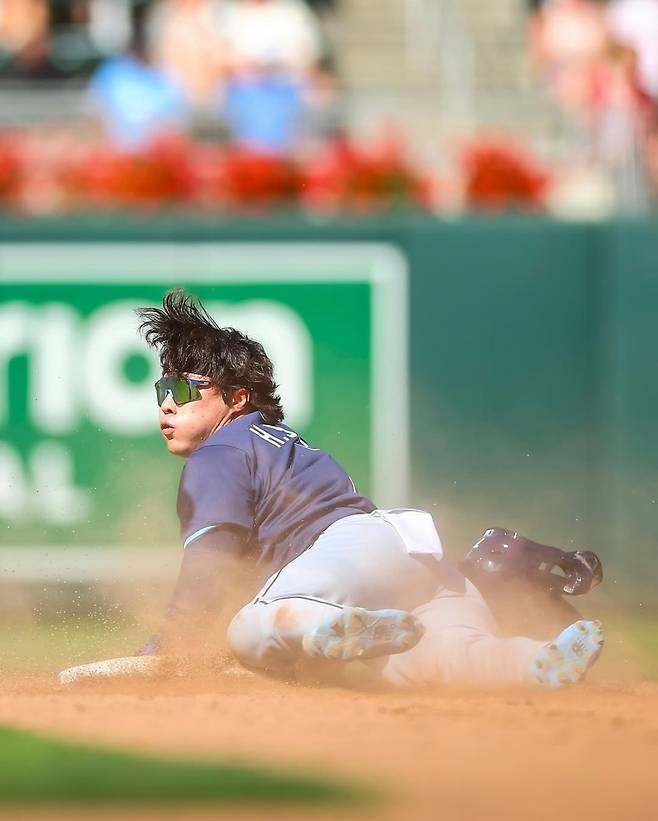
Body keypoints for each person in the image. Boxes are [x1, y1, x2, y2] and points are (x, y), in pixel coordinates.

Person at [135, 289, 604, 689]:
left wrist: (168, 646)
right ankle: (537, 659)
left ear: (237, 398)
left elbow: (209, 571)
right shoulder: (274, 441)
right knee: (439, 661)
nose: (168, 403)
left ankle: (327, 623)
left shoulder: (219, 452)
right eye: (162, 390)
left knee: (250, 627)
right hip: (411, 560)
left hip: (348, 560)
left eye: (185, 389)